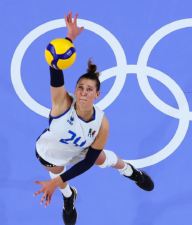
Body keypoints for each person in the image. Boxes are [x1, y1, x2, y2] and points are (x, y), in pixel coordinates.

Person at [33, 11, 154, 225]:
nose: (82, 92)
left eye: (89, 89)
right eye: (80, 87)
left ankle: (130, 172)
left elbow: (88, 161)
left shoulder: (102, 123)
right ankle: (69, 197)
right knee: (59, 179)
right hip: (50, 152)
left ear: (97, 95)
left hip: (80, 152)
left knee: (101, 159)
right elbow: (55, 65)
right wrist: (69, 38)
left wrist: (57, 181)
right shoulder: (62, 103)